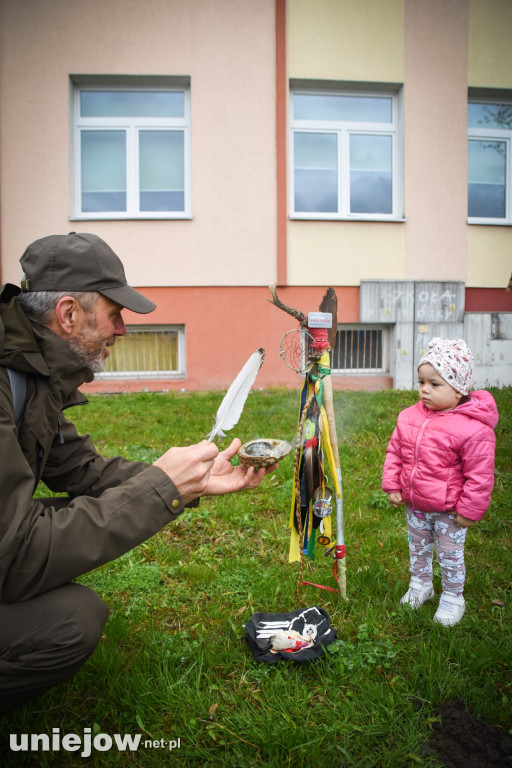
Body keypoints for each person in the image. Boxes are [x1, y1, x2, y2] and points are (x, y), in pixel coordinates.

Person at [0, 232, 275, 714]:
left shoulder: (32, 372)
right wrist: (161, 488)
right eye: (115, 313)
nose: (122, 329)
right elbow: (15, 556)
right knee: (74, 620)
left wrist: (192, 485)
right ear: (68, 314)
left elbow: (82, 471)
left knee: (64, 522)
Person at [382, 337, 498, 627]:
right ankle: (420, 584)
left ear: (459, 389)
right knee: (417, 548)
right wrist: (393, 486)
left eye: (435, 384)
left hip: (450, 512)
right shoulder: (409, 417)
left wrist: (469, 511)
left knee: (449, 555)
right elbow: (395, 452)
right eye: (422, 382)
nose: (424, 389)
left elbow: (480, 476)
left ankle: (452, 596)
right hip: (416, 504)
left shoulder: (473, 430)